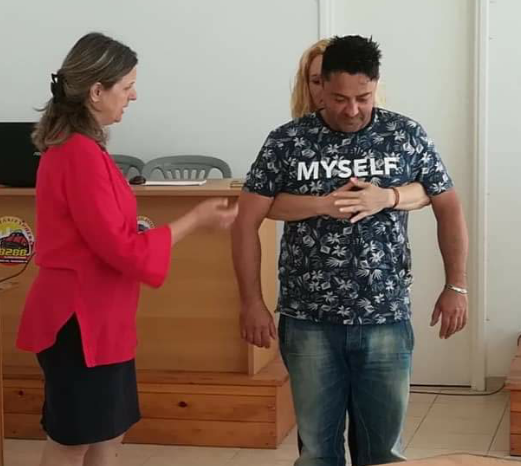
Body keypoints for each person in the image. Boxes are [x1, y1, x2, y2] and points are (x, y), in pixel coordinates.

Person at [232, 35, 468, 466]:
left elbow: (448, 205)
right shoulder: (288, 141)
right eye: (340, 98)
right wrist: (251, 301)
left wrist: (457, 285)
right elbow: (245, 222)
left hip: (385, 315)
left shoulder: (404, 134)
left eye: (363, 97)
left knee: (384, 453)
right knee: (317, 452)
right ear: (320, 87)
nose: (352, 110)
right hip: (309, 319)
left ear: (376, 85)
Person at [16, 32, 237, 466]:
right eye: (127, 86)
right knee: (74, 439)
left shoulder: (83, 149)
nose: (134, 96)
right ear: (96, 91)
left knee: (107, 431)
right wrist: (194, 219)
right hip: (79, 320)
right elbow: (121, 248)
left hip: (101, 315)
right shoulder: (78, 155)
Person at [273, 38, 429, 224]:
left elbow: (434, 190)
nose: (329, 89)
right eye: (317, 81)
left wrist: (389, 197)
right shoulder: (288, 138)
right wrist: (323, 205)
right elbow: (258, 204)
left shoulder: (397, 133)